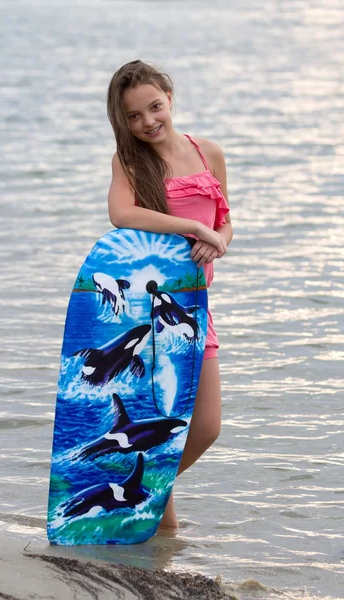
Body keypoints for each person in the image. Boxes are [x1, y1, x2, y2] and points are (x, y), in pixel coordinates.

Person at [106, 60, 233, 529]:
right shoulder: (129, 161)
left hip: (196, 305)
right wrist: (192, 226)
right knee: (160, 421)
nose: (147, 122)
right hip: (146, 311)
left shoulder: (209, 153)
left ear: (170, 98)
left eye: (154, 107)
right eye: (133, 116)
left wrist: (215, 236)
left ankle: (142, 491)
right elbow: (121, 214)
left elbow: (226, 222)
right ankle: (159, 523)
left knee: (205, 426)